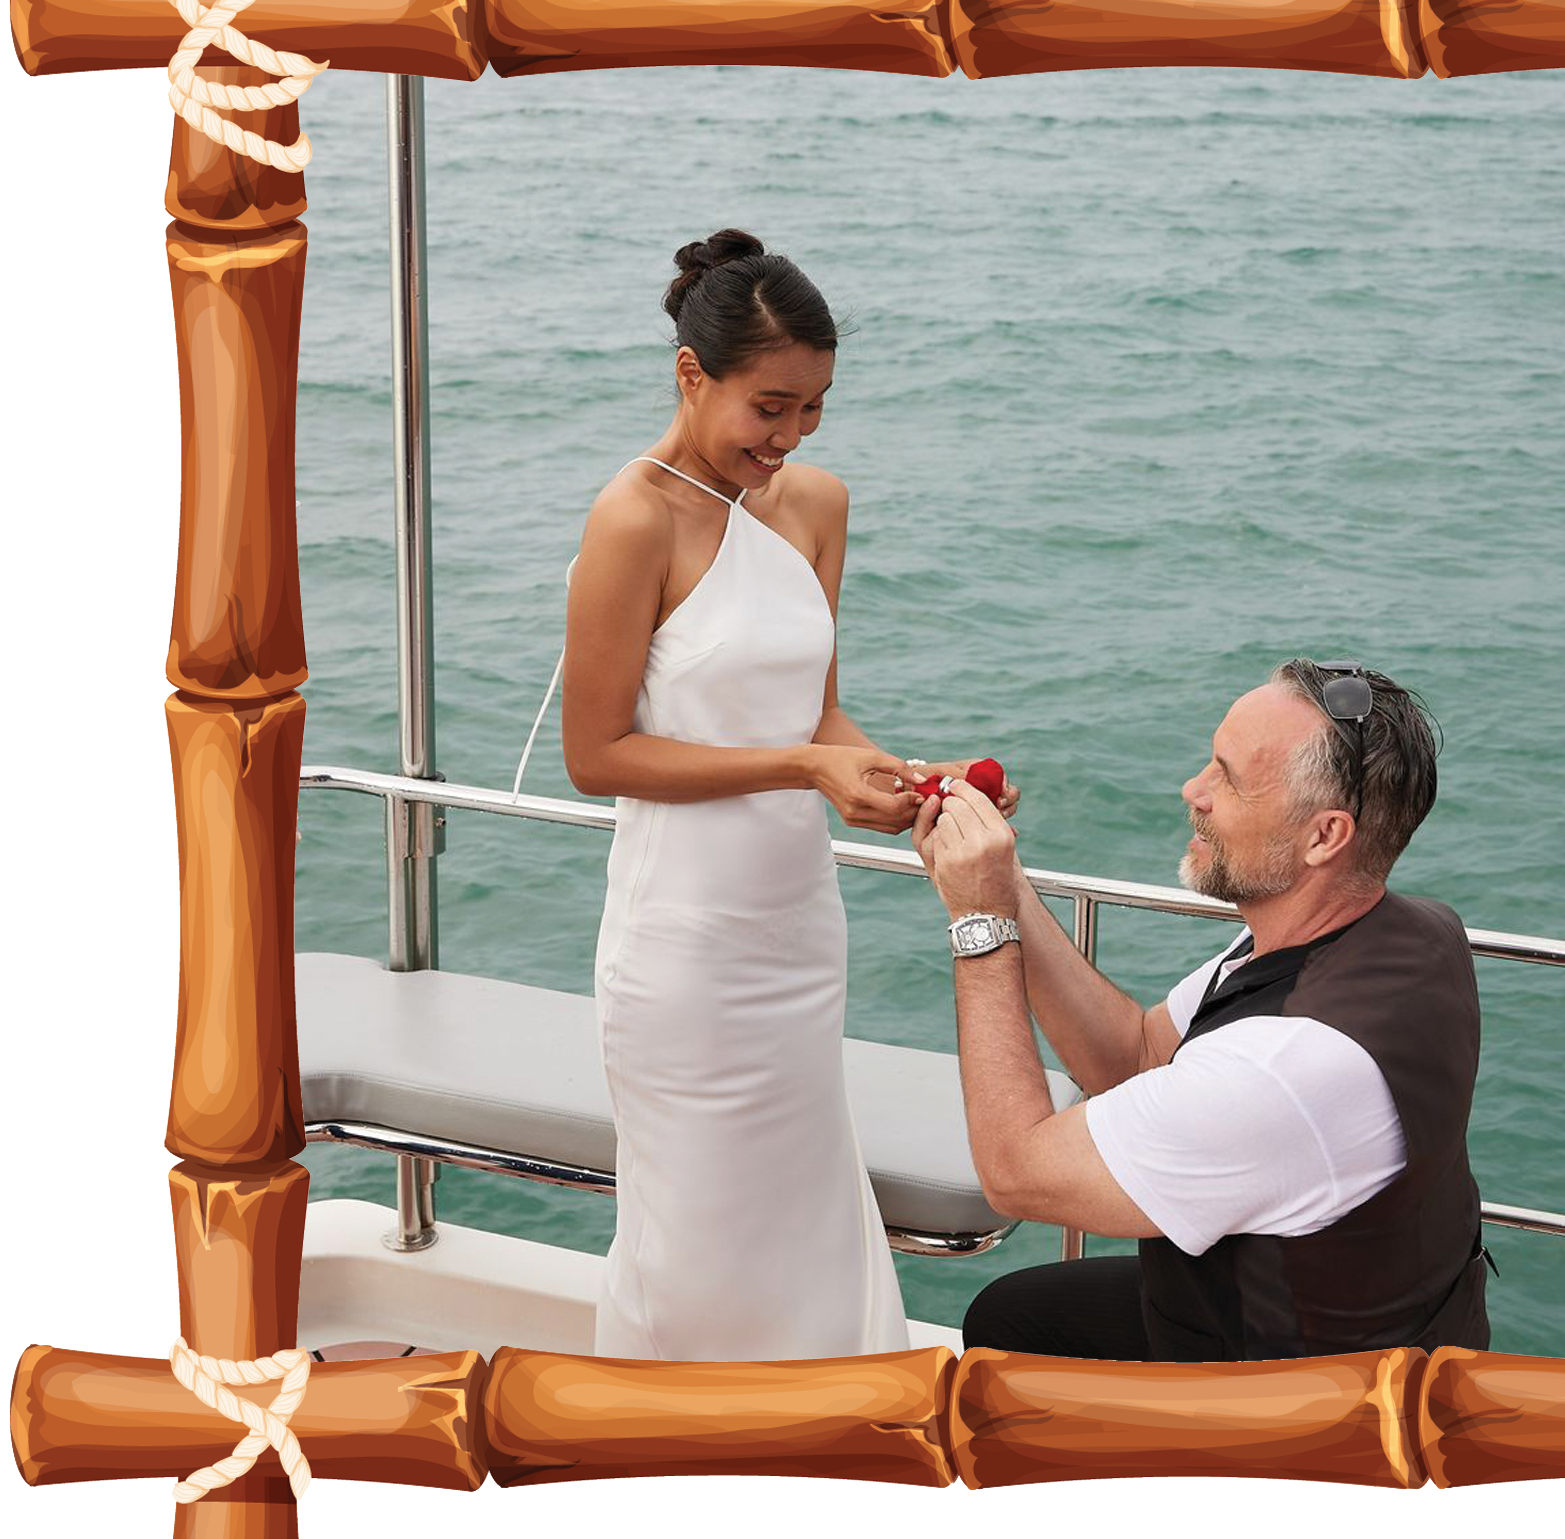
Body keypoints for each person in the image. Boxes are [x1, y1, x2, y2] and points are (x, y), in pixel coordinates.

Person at [562, 228, 1015, 1360]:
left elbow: (817, 713)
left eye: (811, 407)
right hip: (684, 952)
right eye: (769, 406)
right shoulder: (633, 520)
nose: (791, 436)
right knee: (696, 1245)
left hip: (795, 936)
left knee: (805, 1225)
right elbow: (598, 753)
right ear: (690, 374)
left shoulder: (815, 506)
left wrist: (906, 782)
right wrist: (804, 770)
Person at [914, 658, 1489, 1362]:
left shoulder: (1289, 1067)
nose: (1194, 790)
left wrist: (979, 922)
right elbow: (1135, 1055)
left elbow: (1014, 1173)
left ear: (1324, 837)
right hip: (1359, 1329)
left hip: (1295, 1416)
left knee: (1011, 1350)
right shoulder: (1413, 932)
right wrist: (1001, 882)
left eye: (1229, 778)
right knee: (1015, 1317)